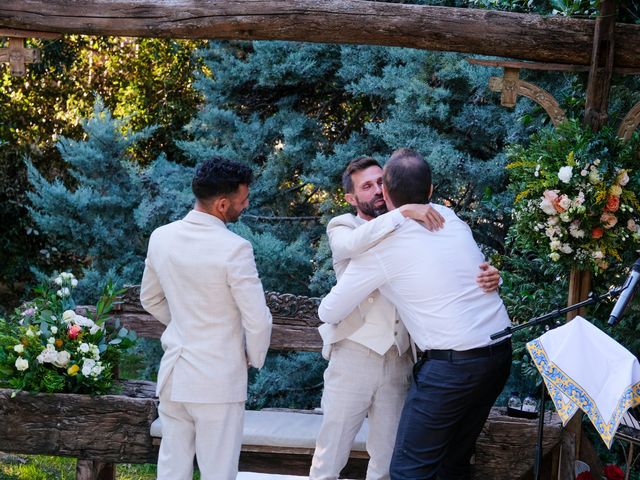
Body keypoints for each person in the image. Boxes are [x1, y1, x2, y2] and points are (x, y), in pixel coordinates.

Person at [319, 148, 512, 480]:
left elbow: (328, 309)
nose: (377, 191)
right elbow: (462, 274)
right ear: (431, 191)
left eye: (381, 184)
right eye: (368, 186)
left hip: (450, 366)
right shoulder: (449, 218)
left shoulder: (386, 244)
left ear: (389, 193)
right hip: (497, 355)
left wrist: (495, 276)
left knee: (408, 470)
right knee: (453, 462)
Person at [140, 157, 272, 480]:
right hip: (219, 380)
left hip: (175, 374)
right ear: (222, 204)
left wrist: (183, 322)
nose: (247, 204)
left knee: (172, 469)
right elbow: (258, 320)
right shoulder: (235, 248)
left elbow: (149, 298)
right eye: (243, 200)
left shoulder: (161, 237)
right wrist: (250, 357)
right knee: (218, 472)